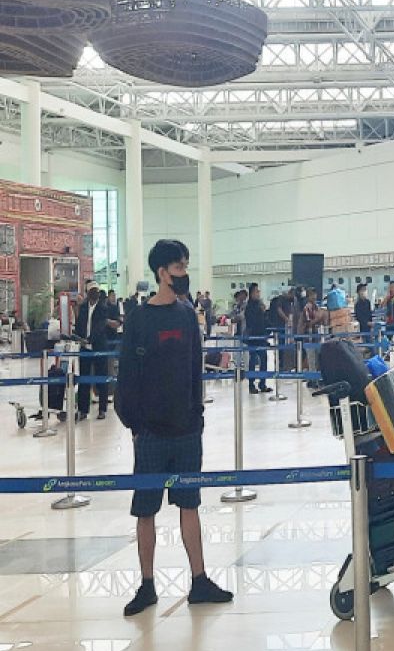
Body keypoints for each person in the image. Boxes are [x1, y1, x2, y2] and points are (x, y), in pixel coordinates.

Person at [117, 239, 233, 617]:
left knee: (190, 504)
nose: (184, 273)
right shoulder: (138, 318)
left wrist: (196, 415)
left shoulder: (186, 315)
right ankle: (147, 584)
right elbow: (127, 376)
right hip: (150, 431)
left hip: (186, 429)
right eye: (179, 267)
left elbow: (194, 368)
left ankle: (199, 580)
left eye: (186, 265)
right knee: (145, 510)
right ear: (161, 273)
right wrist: (133, 424)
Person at [74, 280, 115, 421]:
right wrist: (78, 337)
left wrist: (90, 339)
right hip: (84, 348)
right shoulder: (83, 307)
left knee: (101, 379)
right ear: (87, 293)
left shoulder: (103, 308)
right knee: (84, 380)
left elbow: (100, 326)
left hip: (99, 347)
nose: (95, 293)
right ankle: (83, 410)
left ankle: (102, 409)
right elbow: (80, 324)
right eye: (92, 290)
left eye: (97, 290)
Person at [244, 283, 271, 394]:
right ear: (251, 293)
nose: (258, 293)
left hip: (261, 336)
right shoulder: (249, 307)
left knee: (264, 359)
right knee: (253, 360)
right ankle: (251, 384)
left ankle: (262, 383)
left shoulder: (260, 306)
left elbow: (264, 321)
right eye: (256, 291)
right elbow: (251, 322)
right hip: (253, 337)